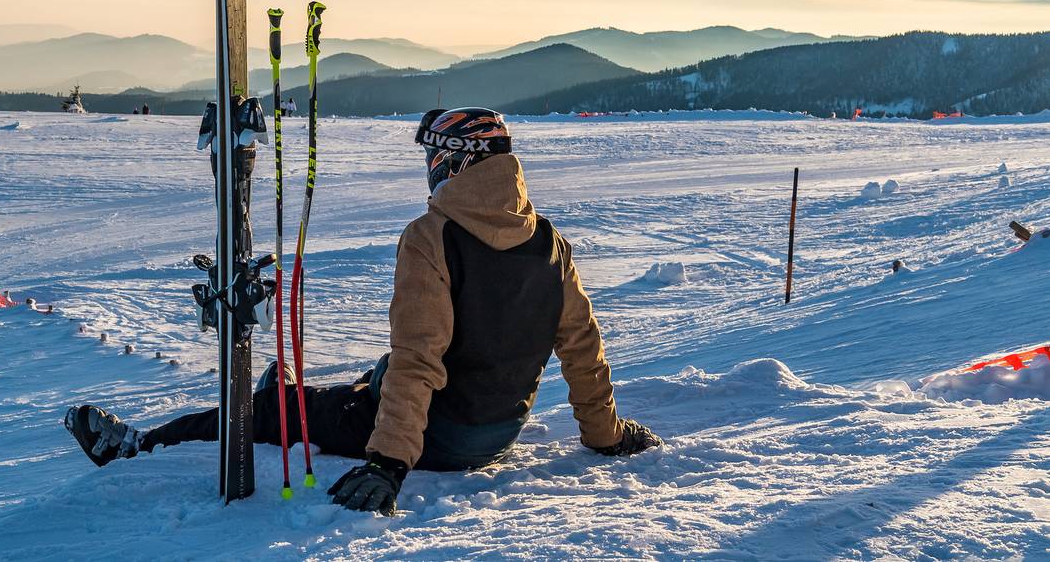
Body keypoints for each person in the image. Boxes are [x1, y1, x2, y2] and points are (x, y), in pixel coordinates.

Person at [64, 107, 660, 515]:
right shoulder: (547, 242)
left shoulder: (434, 236)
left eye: (434, 156)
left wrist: (388, 464)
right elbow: (583, 349)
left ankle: (137, 448)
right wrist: (607, 437)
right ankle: (300, 396)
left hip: (437, 439)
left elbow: (418, 360)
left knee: (270, 409)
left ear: (456, 161)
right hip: (497, 432)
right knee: (352, 388)